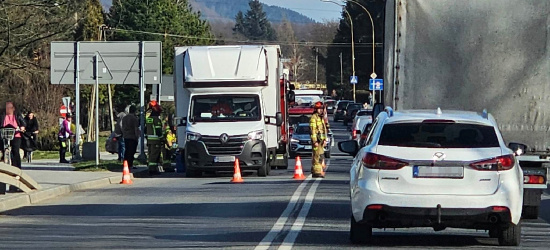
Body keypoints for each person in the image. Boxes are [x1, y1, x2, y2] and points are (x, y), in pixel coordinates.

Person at [0, 101, 26, 169]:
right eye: (7, 107)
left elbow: (23, 122)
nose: (8, 109)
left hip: (16, 134)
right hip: (4, 134)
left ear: (13, 108)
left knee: (15, 151)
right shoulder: (2, 114)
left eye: (10, 107)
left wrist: (22, 127)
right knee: (2, 149)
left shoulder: (17, 114)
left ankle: (17, 167)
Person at [145, 101, 165, 174]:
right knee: (154, 155)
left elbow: (145, 129)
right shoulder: (156, 120)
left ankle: (151, 168)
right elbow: (158, 130)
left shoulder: (148, 119)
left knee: (150, 154)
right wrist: (162, 138)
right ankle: (152, 170)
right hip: (155, 140)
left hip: (149, 140)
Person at [309, 101, 328, 178]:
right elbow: (313, 131)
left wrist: (324, 140)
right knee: (317, 157)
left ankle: (316, 171)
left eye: (321, 109)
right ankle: (317, 172)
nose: (321, 110)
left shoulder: (321, 118)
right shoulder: (314, 118)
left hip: (321, 141)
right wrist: (315, 141)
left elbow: (324, 130)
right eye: (319, 109)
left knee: (320, 156)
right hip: (317, 141)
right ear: (316, 109)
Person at [121, 105, 139, 169]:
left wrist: (124, 134)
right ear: (135, 111)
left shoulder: (124, 118)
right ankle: (130, 164)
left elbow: (122, 127)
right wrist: (137, 137)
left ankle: (125, 163)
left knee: (127, 150)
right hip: (132, 137)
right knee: (131, 151)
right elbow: (136, 128)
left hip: (126, 136)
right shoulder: (134, 118)